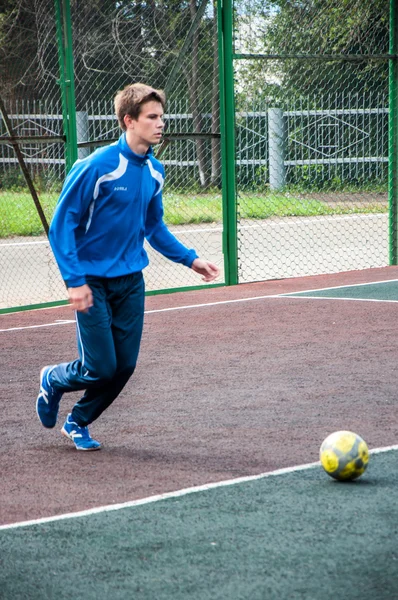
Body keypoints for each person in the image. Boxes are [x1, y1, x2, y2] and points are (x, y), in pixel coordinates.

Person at [36, 83, 220, 451]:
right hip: (91, 282)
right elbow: (62, 226)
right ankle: (53, 379)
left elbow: (154, 227)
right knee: (100, 367)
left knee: (125, 367)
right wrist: (74, 281)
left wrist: (191, 258)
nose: (160, 124)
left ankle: (78, 421)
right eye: (152, 117)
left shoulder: (154, 170)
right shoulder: (97, 166)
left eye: (161, 117)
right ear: (129, 121)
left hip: (130, 282)